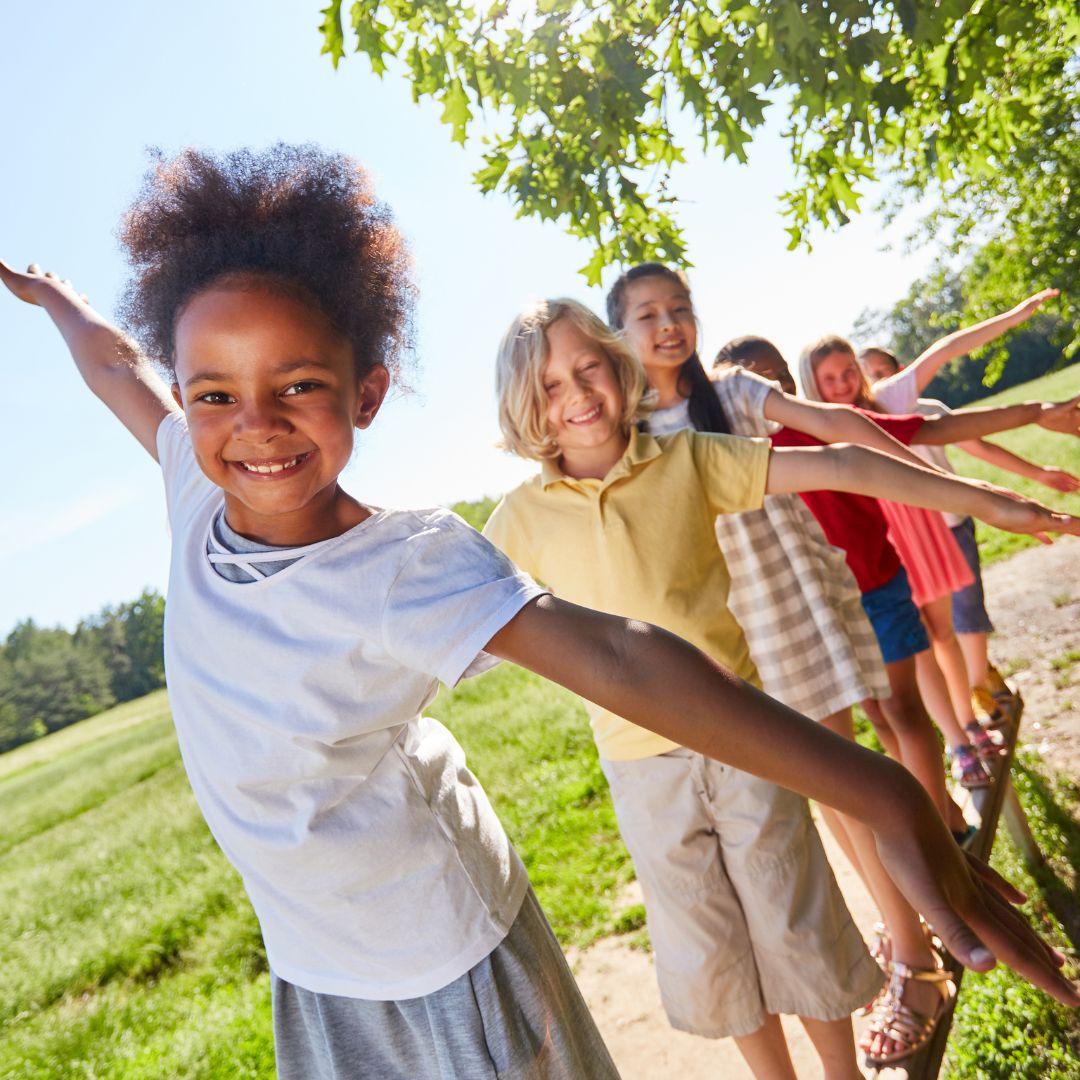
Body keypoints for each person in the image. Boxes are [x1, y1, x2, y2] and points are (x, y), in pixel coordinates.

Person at [3, 146, 1077, 1080]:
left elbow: (620, 654)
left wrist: (888, 793)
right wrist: (57, 300)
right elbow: (116, 365)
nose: (256, 427)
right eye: (215, 393)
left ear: (366, 392)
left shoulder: (405, 562)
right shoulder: (193, 493)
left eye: (297, 386)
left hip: (451, 952)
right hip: (316, 967)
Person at [483, 296, 1077, 1072]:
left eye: (587, 367)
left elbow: (838, 463)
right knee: (710, 950)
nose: (577, 393)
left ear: (616, 365)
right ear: (526, 407)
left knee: (796, 922)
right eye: (551, 384)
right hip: (640, 770)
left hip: (742, 739)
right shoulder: (517, 521)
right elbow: (449, 630)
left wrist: (983, 499)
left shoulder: (688, 459)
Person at [858, 290, 1076, 725]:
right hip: (909, 539)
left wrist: (1038, 476)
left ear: (900, 375)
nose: (876, 385)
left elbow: (980, 446)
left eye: (884, 374)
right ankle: (965, 701)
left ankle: (978, 684)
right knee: (936, 630)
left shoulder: (921, 407)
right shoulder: (858, 419)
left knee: (968, 606)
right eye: (870, 378)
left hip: (953, 520)